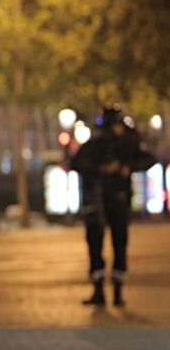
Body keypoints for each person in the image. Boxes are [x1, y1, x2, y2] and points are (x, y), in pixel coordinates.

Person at [70, 104, 155, 306]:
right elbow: (77, 163)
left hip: (117, 199)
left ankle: (115, 292)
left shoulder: (126, 144)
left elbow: (147, 160)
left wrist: (126, 167)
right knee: (99, 245)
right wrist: (102, 168)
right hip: (99, 201)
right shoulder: (96, 144)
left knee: (117, 244)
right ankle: (101, 290)